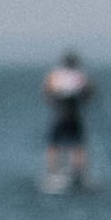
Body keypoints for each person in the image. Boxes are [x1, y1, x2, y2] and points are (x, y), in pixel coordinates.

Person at [41, 52, 95, 190]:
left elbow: (46, 91)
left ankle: (53, 171)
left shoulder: (55, 75)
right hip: (74, 113)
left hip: (59, 113)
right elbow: (89, 92)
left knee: (54, 144)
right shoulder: (80, 76)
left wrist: (53, 100)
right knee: (78, 144)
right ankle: (79, 172)